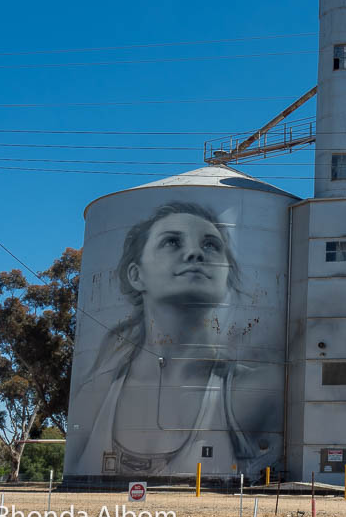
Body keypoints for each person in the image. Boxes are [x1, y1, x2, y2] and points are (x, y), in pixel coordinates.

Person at [68, 201, 277, 477]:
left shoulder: (255, 391)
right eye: (172, 242)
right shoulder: (95, 394)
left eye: (211, 245)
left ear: (226, 274)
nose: (194, 253)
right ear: (136, 275)